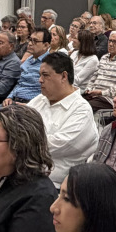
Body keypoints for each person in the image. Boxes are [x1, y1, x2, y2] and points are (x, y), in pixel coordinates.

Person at [28, 51, 100, 183]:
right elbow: (17, 124)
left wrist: (21, 139)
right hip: (26, 172)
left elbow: (56, 145)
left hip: (53, 182)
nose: (40, 80)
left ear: (64, 76)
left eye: (45, 75)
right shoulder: (40, 100)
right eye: (40, 75)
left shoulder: (81, 110)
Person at [0, 28, 51, 137]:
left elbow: (47, 91)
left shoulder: (49, 64)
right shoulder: (28, 61)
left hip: (29, 105)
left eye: (35, 41)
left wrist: (31, 105)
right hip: (13, 102)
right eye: (30, 40)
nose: (30, 43)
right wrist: (9, 97)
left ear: (46, 45)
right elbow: (19, 83)